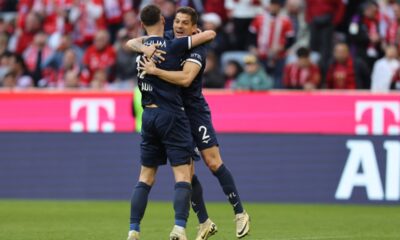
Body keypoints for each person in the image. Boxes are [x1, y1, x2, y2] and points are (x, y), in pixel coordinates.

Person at [134, 6, 251, 239]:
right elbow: (132, 42)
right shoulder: (167, 39)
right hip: (176, 113)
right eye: (176, 21)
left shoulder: (197, 48)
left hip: (195, 112)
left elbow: (186, 79)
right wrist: (143, 46)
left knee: (213, 162)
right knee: (186, 169)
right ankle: (204, 222)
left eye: (184, 23)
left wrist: (155, 70)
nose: (178, 26)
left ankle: (240, 213)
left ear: (193, 27)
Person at [125, 5, 216, 240]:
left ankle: (133, 230)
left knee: (145, 177)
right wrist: (196, 34)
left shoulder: (140, 52)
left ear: (142, 24)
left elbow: (129, 43)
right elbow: (209, 35)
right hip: (171, 115)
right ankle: (179, 228)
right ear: (164, 21)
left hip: (148, 117)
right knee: (183, 174)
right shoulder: (172, 45)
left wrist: (142, 45)